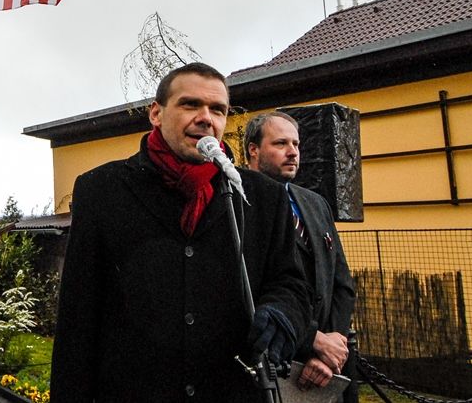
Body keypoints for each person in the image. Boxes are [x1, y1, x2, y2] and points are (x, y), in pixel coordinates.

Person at [50, 62, 310, 402]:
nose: (206, 118)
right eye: (191, 104)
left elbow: (292, 283)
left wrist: (282, 312)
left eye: (218, 110)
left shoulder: (262, 196)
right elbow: (78, 316)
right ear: (156, 113)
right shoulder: (101, 191)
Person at [245, 111, 356, 398]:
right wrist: (312, 342)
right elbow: (246, 293)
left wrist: (333, 348)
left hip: (330, 365)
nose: (293, 152)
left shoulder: (315, 204)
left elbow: (341, 283)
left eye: (296, 144)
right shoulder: (238, 206)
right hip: (272, 364)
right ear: (253, 150)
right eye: (281, 143)